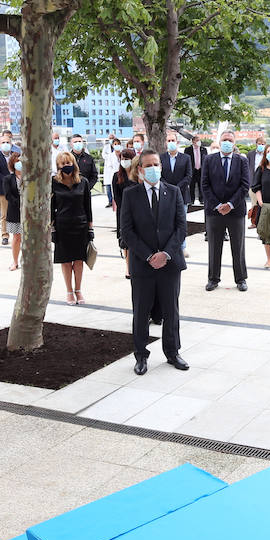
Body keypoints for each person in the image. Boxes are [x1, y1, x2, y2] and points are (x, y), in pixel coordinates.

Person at [119, 150, 188, 375]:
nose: (153, 168)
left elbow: (181, 228)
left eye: (156, 164)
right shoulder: (130, 195)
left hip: (169, 263)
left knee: (171, 310)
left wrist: (165, 254)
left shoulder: (174, 192)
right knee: (141, 311)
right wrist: (149, 255)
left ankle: (172, 351)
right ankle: (140, 355)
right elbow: (126, 231)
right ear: (140, 170)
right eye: (148, 165)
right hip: (142, 264)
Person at [199, 130, 250, 291]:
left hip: (236, 211)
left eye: (230, 140)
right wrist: (218, 205)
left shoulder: (241, 161)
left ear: (234, 143)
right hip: (214, 212)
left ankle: (241, 279)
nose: (227, 142)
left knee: (238, 246)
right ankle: (213, 278)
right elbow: (204, 185)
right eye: (224, 140)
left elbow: (244, 186)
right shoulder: (209, 160)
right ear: (219, 142)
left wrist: (230, 204)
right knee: (214, 246)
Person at [52, 150, 93, 304]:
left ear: (73, 164)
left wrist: (90, 228)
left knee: (78, 261)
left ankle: (78, 290)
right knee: (65, 261)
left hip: (80, 226)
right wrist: (53, 229)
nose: (66, 165)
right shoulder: (54, 182)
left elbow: (87, 207)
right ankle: (69, 291)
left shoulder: (83, 182)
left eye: (68, 163)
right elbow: (51, 207)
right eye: (62, 164)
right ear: (58, 166)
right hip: (62, 226)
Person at [112, 148, 139, 278]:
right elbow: (117, 197)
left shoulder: (137, 175)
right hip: (123, 212)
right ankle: (128, 268)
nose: (124, 161)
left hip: (138, 212)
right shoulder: (117, 176)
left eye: (127, 159)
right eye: (122, 159)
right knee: (125, 241)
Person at [3, 153, 25, 270]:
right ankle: (15, 261)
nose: (19, 163)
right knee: (16, 237)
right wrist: (21, 203)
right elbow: (8, 196)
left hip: (28, 212)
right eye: (17, 161)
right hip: (15, 212)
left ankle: (27, 261)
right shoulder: (8, 179)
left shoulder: (29, 177)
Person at [160, 130, 194, 205]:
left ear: (177, 142)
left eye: (173, 140)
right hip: (166, 194)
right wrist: (168, 187)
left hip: (182, 194)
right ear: (166, 143)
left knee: (182, 216)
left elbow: (189, 176)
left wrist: (177, 188)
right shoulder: (161, 158)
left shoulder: (186, 158)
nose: (171, 142)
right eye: (169, 141)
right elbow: (160, 175)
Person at [187, 135, 207, 205]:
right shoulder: (188, 150)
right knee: (191, 185)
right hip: (192, 170)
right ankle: (191, 200)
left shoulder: (203, 149)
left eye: (199, 140)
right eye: (197, 140)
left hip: (201, 170)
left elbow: (206, 160)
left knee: (201, 185)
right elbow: (186, 160)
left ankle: (202, 200)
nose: (198, 142)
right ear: (193, 142)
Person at [103, 137, 121, 208]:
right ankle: (113, 204)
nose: (116, 145)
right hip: (113, 175)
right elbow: (109, 166)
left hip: (121, 175)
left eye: (118, 144)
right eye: (115, 144)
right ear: (113, 145)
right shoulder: (110, 155)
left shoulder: (122, 153)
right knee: (114, 192)